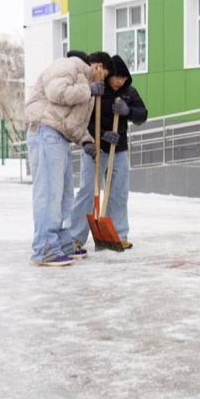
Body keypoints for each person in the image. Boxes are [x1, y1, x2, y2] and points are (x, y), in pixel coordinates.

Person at [24, 50, 113, 267]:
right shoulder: (69, 65)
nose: (105, 81)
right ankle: (44, 247)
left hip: (59, 137)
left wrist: (86, 141)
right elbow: (57, 92)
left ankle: (61, 242)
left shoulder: (87, 87)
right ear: (98, 67)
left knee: (64, 196)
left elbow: (72, 122)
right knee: (49, 194)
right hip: (45, 132)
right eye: (106, 74)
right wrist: (88, 90)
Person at [69, 54, 149, 251]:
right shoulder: (98, 90)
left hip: (119, 150)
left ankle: (118, 234)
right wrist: (103, 135)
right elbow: (85, 119)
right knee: (88, 190)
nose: (119, 81)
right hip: (95, 148)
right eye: (116, 77)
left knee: (119, 193)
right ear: (108, 74)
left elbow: (143, 114)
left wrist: (128, 111)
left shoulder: (129, 92)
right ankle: (75, 236)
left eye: (123, 78)